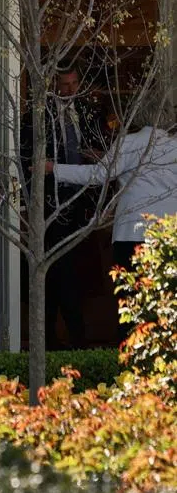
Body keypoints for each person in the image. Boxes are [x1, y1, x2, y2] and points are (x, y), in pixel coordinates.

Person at [50, 116, 177, 341]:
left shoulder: (129, 142)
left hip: (133, 234)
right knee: (164, 306)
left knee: (130, 307)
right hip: (167, 236)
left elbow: (98, 175)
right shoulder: (173, 146)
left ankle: (128, 364)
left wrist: (53, 168)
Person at [20, 65, 105, 349]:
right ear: (53, 84)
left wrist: (98, 155)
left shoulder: (89, 110)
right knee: (57, 268)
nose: (69, 90)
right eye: (64, 84)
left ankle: (62, 336)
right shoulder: (37, 116)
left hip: (82, 199)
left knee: (72, 268)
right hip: (48, 203)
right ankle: (66, 336)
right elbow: (25, 156)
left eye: (74, 83)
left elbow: (105, 147)